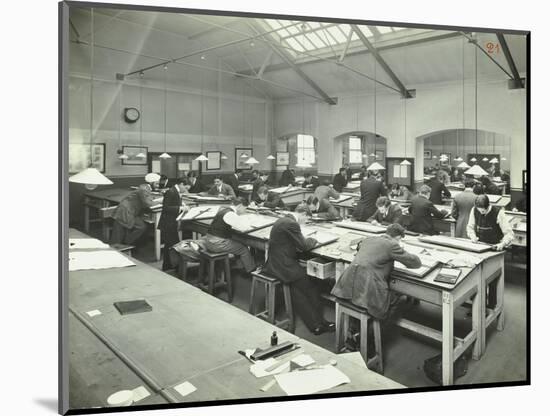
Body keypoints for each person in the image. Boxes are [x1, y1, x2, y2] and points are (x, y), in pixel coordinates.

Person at [263, 204, 335, 335]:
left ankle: (316, 325)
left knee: (297, 291)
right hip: (284, 266)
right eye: (306, 219)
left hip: (274, 264)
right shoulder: (292, 224)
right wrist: (313, 239)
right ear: (303, 214)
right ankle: (319, 323)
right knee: (312, 284)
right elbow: (303, 246)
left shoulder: (283, 219)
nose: (305, 223)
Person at [331, 223, 421, 320]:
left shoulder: (368, 239)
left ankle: (355, 328)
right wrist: (402, 251)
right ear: (398, 237)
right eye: (399, 240)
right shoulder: (392, 245)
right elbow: (415, 263)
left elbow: (360, 247)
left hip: (347, 287)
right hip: (369, 289)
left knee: (363, 297)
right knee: (400, 301)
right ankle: (375, 332)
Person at [203, 197, 256, 273]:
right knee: (244, 249)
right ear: (240, 206)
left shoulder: (224, 210)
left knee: (237, 243)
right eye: (245, 208)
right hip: (217, 243)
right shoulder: (230, 214)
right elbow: (245, 228)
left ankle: (240, 266)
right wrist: (248, 221)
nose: (244, 211)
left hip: (209, 240)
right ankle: (251, 271)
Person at [111, 173, 159, 245]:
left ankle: (126, 242)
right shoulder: (144, 189)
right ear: (151, 182)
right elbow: (147, 203)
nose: (158, 186)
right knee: (117, 236)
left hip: (130, 210)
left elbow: (146, 198)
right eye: (156, 184)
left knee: (141, 226)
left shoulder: (145, 187)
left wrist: (152, 199)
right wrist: (160, 201)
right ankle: (119, 247)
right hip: (126, 211)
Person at [158, 177, 190, 271]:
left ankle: (168, 266)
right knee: (173, 245)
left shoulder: (175, 191)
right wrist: (181, 208)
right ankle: (173, 266)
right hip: (168, 223)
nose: (186, 190)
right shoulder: (171, 191)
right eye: (186, 188)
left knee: (170, 245)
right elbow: (166, 208)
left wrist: (181, 204)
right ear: (181, 184)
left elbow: (173, 202)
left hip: (171, 222)